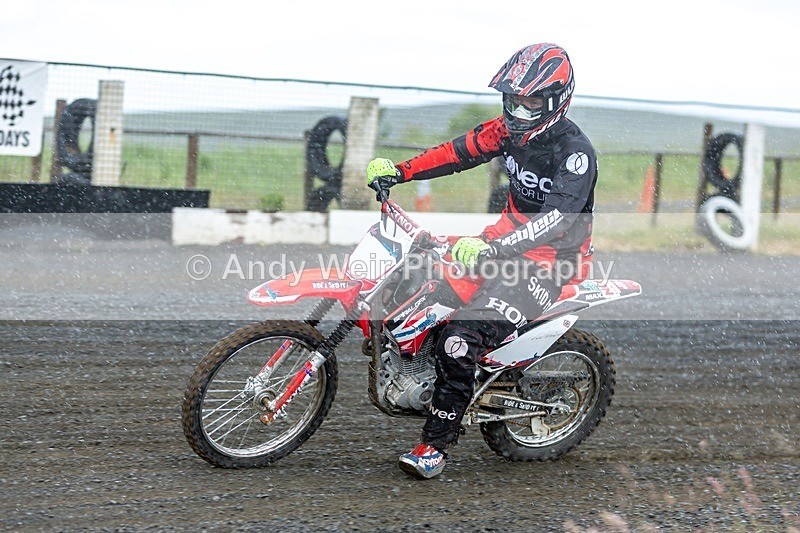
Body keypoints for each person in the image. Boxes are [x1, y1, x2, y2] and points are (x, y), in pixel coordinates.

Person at [366, 43, 598, 479]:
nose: (518, 109)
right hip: (501, 242)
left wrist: (494, 251)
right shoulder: (506, 131)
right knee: (419, 286)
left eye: (530, 100)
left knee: (460, 337)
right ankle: (429, 378)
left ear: (555, 99)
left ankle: (435, 445)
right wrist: (400, 171)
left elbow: (554, 220)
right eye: (513, 99)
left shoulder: (575, 154)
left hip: (550, 264)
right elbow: (457, 152)